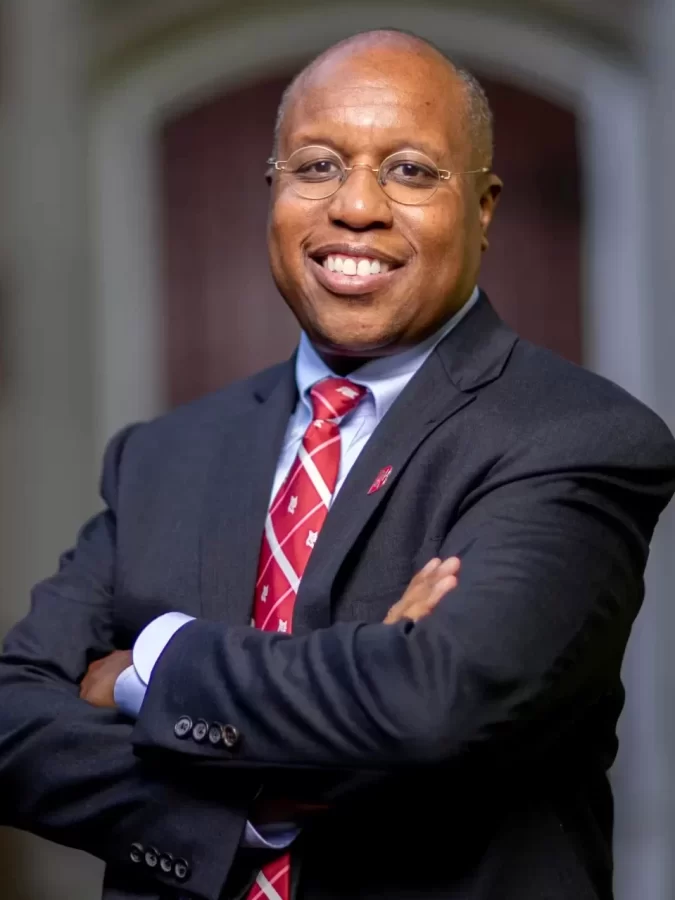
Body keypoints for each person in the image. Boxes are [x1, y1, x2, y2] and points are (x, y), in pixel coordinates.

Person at [1, 28, 674, 900]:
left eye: (410, 170)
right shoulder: (161, 456)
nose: (355, 207)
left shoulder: (576, 435)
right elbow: (14, 720)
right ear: (273, 192)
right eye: (317, 165)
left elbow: (435, 699)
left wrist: (151, 665)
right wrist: (253, 803)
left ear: (483, 208)